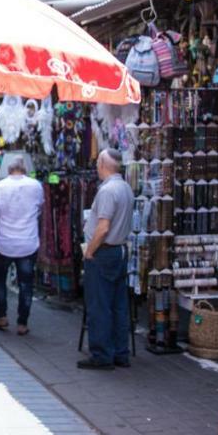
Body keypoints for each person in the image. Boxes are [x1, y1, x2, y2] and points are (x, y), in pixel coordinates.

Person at [79, 148, 135, 369]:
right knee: (118, 305)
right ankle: (120, 352)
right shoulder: (125, 188)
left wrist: (90, 251)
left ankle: (102, 355)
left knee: (100, 305)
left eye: (97, 163)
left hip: (104, 252)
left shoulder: (108, 190)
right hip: (119, 250)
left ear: (102, 164)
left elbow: (102, 228)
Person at [0, 158, 44, 335]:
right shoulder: (36, 186)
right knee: (26, 283)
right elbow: (39, 208)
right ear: (24, 169)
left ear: (8, 170)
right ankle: (22, 323)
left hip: (3, 242)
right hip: (27, 242)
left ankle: (2, 316)